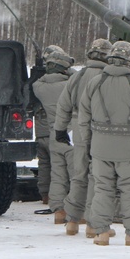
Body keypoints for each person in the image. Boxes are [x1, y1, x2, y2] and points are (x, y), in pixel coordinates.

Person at [78, 40, 130, 246]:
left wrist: (90, 143)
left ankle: (101, 233)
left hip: (100, 148)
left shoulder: (95, 82)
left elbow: (83, 117)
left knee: (102, 189)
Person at [55, 38, 112, 237]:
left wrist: (60, 129)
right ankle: (92, 222)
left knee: (78, 175)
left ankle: (72, 221)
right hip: (101, 130)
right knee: (97, 176)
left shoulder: (77, 76)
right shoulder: (108, 77)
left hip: (79, 128)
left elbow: (64, 105)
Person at [32, 44, 74, 220]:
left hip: (52, 135)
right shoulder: (70, 85)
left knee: (56, 174)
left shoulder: (39, 87)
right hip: (70, 135)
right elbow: (79, 77)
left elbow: (38, 80)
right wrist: (68, 69)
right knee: (75, 175)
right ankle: (76, 209)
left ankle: (57, 210)